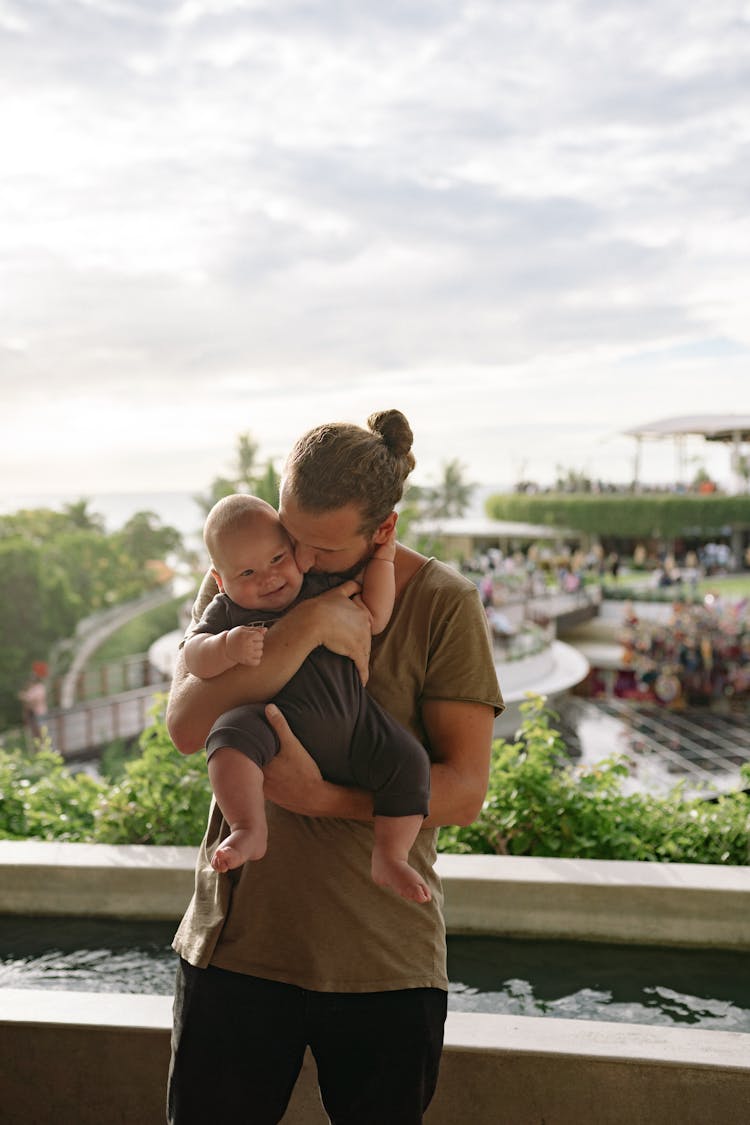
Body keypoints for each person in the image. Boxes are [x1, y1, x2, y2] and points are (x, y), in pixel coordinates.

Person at [166, 409, 504, 1125]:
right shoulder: (244, 580)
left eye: (321, 547)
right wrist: (308, 624)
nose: (298, 562)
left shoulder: (442, 604)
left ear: (380, 531)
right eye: (292, 535)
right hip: (237, 951)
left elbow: (466, 791)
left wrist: (322, 799)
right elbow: (186, 726)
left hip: (383, 960)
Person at [183, 492, 431, 902]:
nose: (268, 577)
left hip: (355, 723)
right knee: (228, 738)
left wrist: (383, 560)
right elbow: (194, 656)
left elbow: (375, 614)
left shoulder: (319, 588)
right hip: (272, 726)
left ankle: (390, 854)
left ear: (294, 550)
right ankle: (248, 827)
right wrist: (226, 647)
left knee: (409, 762)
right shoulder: (227, 612)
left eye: (278, 559)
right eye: (247, 572)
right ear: (221, 581)